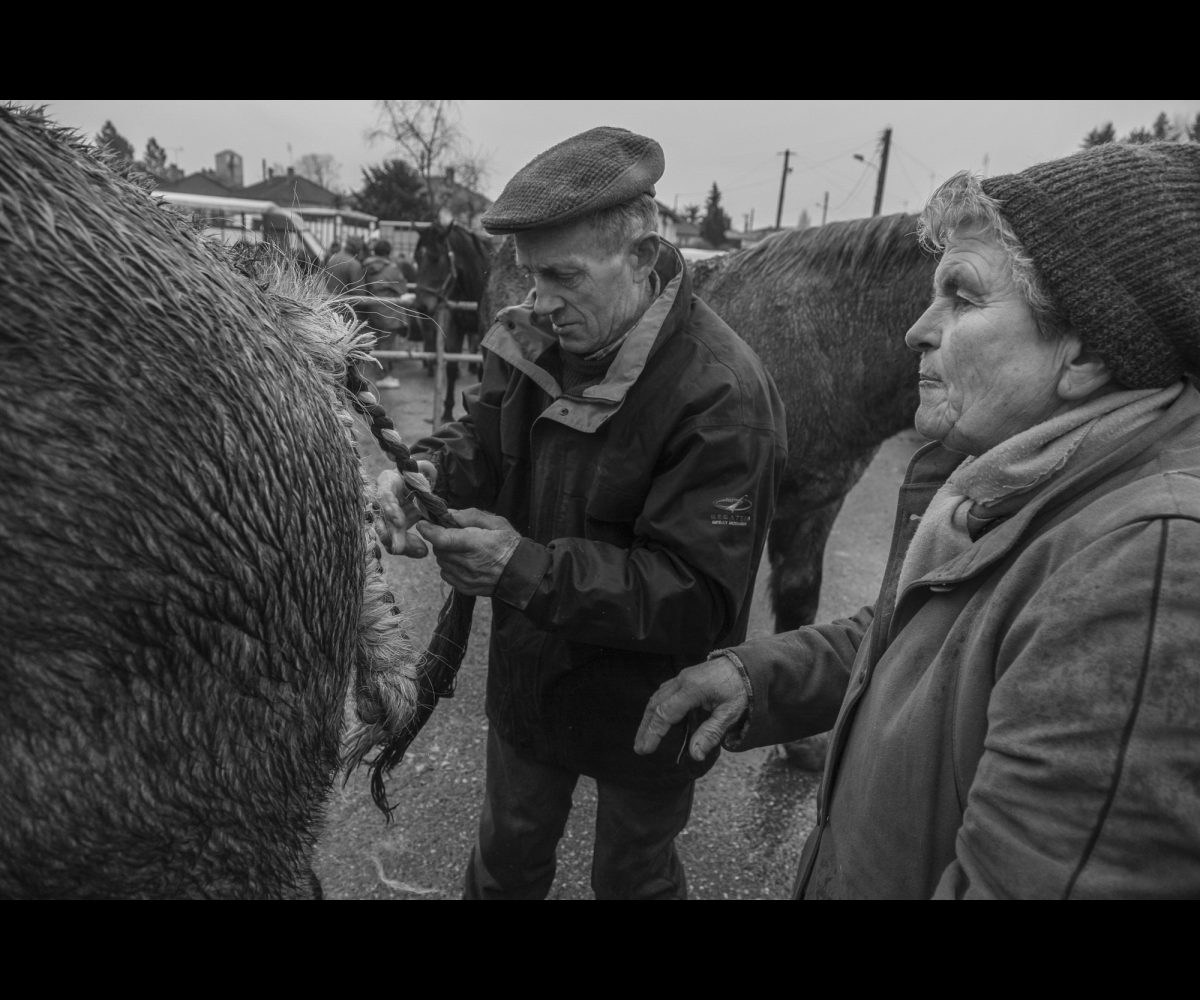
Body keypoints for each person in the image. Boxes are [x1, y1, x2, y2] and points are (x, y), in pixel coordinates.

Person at [635, 139, 1200, 900]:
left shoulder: (1147, 571)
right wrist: (759, 676)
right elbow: (926, 639)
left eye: (961, 297)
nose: (915, 331)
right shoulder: (1028, 478)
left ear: (1087, 353)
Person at [373, 126, 787, 899]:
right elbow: (488, 441)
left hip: (653, 701)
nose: (541, 302)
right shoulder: (534, 336)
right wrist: (427, 471)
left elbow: (696, 595)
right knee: (507, 860)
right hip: (536, 678)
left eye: (563, 276)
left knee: (634, 876)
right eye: (530, 275)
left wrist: (520, 568)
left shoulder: (723, 395)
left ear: (644, 258)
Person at [360, 238, 408, 389]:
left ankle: (380, 374)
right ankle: (384, 376)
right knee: (387, 345)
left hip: (373, 310)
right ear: (388, 253)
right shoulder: (392, 269)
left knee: (378, 343)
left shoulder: (366, 266)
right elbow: (403, 288)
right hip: (389, 313)